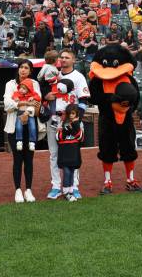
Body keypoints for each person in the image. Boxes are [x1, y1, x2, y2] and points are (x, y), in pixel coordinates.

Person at [44, 48, 89, 200]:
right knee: (54, 154)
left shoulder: (78, 77)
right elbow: (43, 93)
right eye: (61, 57)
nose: (63, 60)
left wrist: (77, 121)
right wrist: (46, 96)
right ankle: (56, 186)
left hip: (72, 120)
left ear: (73, 60)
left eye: (67, 57)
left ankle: (74, 186)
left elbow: (83, 100)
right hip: (55, 119)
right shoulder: (53, 75)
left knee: (73, 154)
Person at [2, 59, 41, 204]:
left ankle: (28, 189)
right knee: (17, 159)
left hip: (30, 127)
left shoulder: (35, 84)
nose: (23, 70)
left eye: (26, 68)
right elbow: (7, 105)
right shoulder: (10, 84)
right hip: (14, 127)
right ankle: (18, 189)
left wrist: (26, 113)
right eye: (21, 67)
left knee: (29, 159)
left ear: (30, 71)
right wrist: (24, 103)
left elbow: (37, 104)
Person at [57, 103, 84, 202]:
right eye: (69, 114)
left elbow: (80, 137)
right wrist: (66, 129)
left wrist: (73, 126)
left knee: (72, 172)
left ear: (76, 114)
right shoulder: (62, 123)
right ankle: (66, 192)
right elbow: (58, 138)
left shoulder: (78, 124)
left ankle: (71, 191)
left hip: (74, 153)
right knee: (67, 172)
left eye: (73, 113)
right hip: (64, 153)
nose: (71, 116)